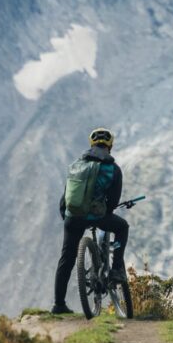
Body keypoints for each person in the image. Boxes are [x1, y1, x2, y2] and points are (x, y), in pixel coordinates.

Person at [52, 127, 127, 315]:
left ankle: (58, 305)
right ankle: (117, 268)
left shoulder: (77, 165)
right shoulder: (112, 168)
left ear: (91, 144)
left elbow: (66, 197)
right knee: (122, 227)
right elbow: (114, 201)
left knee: (67, 258)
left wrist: (68, 218)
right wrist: (104, 212)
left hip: (73, 217)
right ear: (110, 146)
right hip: (97, 216)